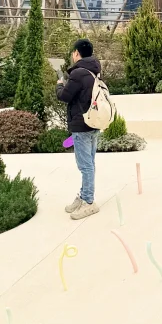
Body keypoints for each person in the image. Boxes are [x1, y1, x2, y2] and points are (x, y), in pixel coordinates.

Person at [56, 38, 102, 218]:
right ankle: (83, 196)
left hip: (81, 125)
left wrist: (59, 85)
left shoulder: (78, 73)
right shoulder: (95, 71)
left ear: (76, 53)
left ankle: (89, 202)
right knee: (89, 163)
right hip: (93, 122)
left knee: (85, 166)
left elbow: (65, 96)